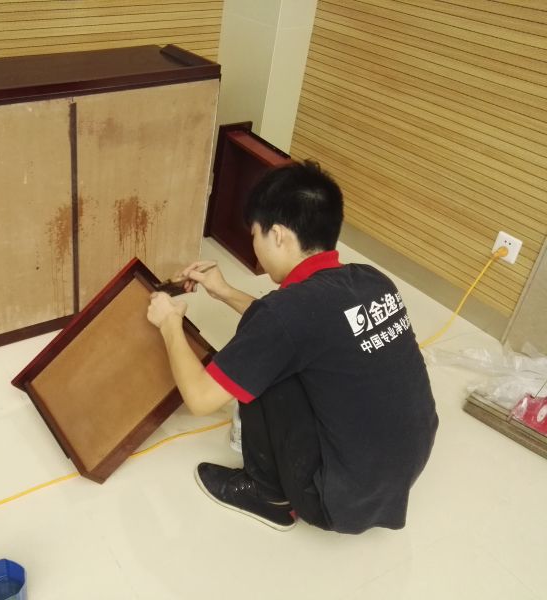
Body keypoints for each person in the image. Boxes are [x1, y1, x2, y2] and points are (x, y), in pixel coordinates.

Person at [146, 161, 438, 534]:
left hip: (335, 497)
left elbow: (200, 399)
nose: (254, 246)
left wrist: (169, 323)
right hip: (399, 472)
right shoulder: (371, 280)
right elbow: (295, 328)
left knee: (262, 361)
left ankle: (269, 497)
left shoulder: (286, 314)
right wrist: (224, 292)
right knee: (271, 347)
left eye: (255, 234)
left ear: (279, 236)